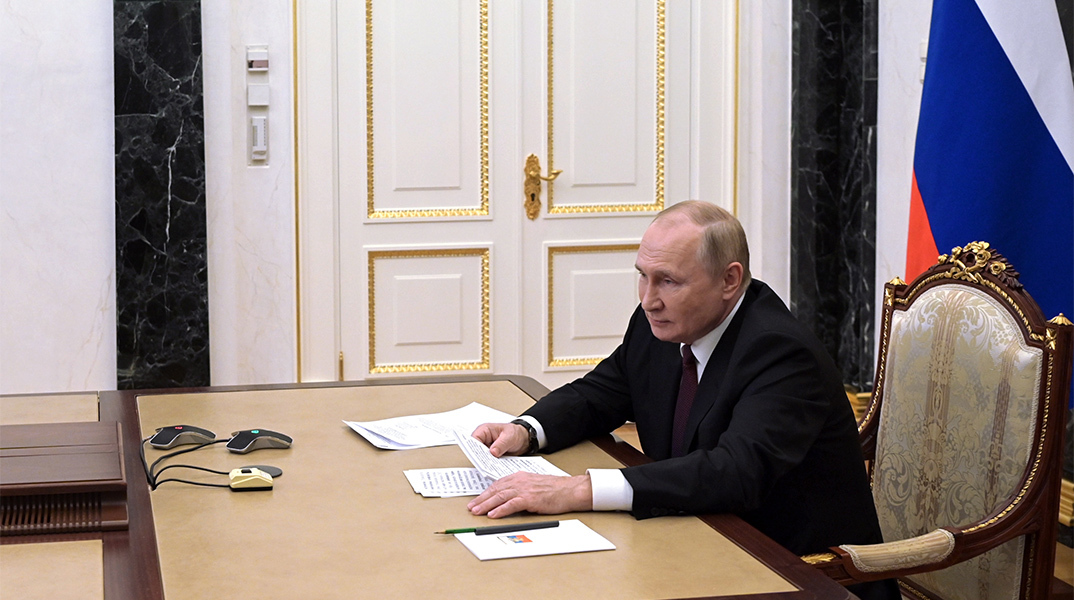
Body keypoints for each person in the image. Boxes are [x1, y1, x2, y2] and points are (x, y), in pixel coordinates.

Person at [469, 201, 898, 600]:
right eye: (643, 275)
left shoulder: (780, 351)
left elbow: (735, 471)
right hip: (691, 542)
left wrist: (580, 489)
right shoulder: (663, 320)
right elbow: (601, 392)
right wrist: (526, 431)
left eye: (668, 281)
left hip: (790, 571)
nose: (648, 299)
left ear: (729, 280)